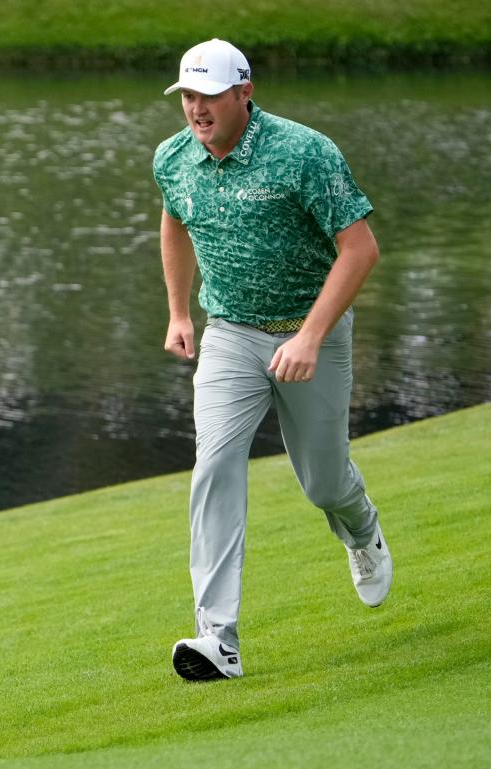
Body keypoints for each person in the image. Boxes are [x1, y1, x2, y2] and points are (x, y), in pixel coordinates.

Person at [152, 39, 391, 682]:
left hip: (313, 333)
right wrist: (179, 311)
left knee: (322, 480)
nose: (197, 110)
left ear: (244, 93)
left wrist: (311, 336)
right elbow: (175, 221)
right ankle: (217, 638)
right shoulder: (173, 159)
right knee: (216, 463)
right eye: (188, 97)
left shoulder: (304, 153)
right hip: (229, 331)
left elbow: (360, 249)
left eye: (209, 95)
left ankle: (360, 529)